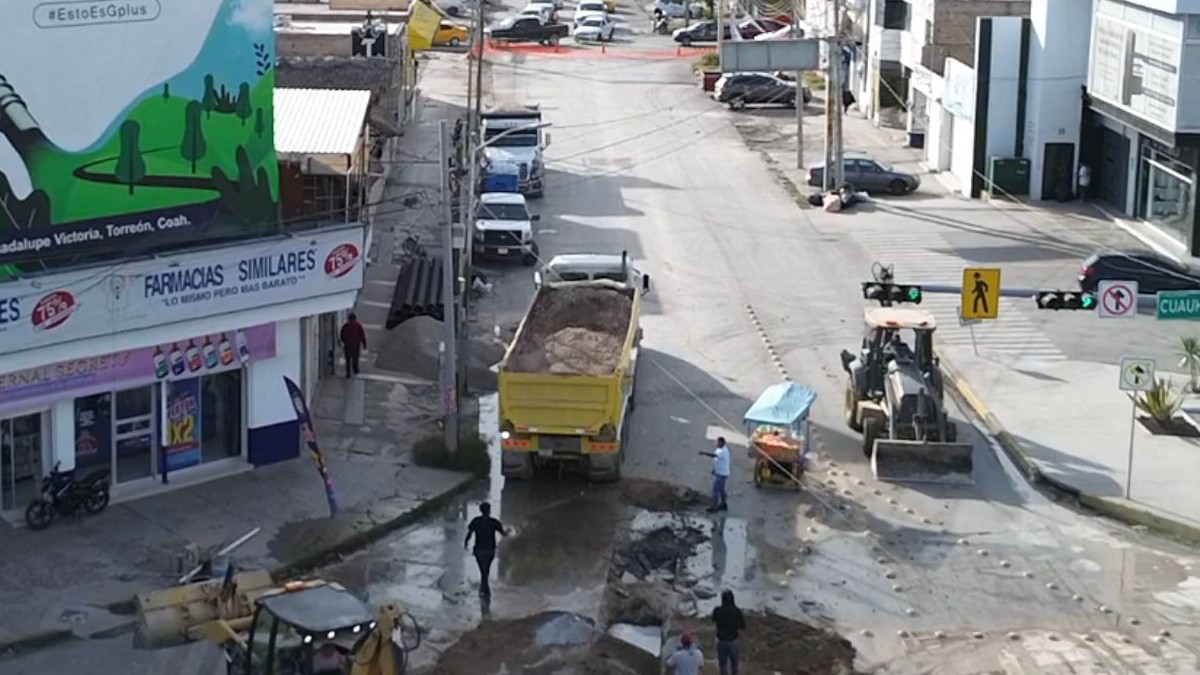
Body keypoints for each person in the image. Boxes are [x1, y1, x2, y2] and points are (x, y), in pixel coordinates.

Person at [464, 502, 508, 596]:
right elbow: (503, 533)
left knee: (482, 569)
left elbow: (469, 534)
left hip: (479, 550)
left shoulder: (476, 521)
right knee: (486, 568)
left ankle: (484, 587)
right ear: (489, 510)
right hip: (490, 550)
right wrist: (509, 531)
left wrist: (466, 543)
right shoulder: (494, 522)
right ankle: (484, 587)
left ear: (481, 510)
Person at [711, 590, 746, 675]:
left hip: (721, 640)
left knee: (723, 665)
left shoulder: (717, 610)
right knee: (734, 665)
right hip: (733, 640)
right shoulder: (736, 611)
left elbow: (713, 619)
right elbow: (743, 626)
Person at [699, 437, 731, 512]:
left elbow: (714, 455)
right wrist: (715, 469)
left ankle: (714, 507)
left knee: (716, 489)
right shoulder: (720, 449)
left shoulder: (723, 451)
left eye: (719, 443)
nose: (717, 444)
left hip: (722, 474)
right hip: (721, 472)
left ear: (723, 443)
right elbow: (719, 461)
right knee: (721, 489)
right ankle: (723, 504)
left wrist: (704, 453)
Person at [339, 313, 367, 378]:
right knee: (355, 358)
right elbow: (362, 335)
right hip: (356, 345)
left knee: (348, 359)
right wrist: (364, 344)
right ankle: (355, 370)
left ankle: (348, 373)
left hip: (348, 345)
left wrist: (344, 341)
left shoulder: (345, 326)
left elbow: (342, 335)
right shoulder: (358, 326)